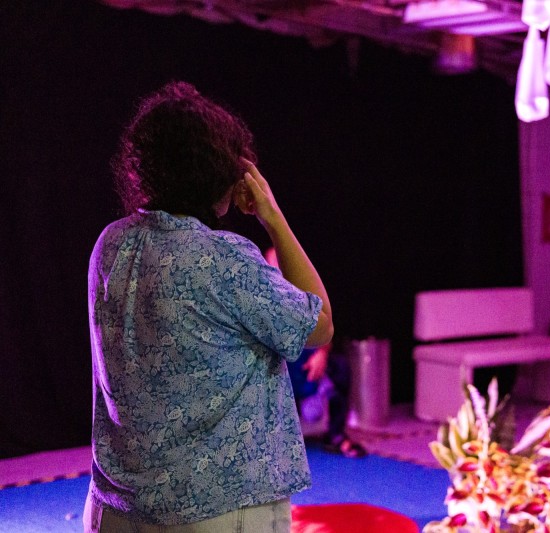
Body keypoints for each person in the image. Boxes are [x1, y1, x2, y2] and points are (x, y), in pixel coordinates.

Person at [84, 81, 333, 533]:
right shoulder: (225, 259)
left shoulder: (111, 244)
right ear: (221, 174)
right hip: (217, 508)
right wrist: (272, 216)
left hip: (116, 509)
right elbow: (319, 324)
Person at [263, 248, 366, 458]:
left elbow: (324, 330)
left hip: (306, 364)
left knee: (340, 366)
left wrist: (322, 354)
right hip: (277, 366)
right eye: (274, 265)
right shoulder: (261, 298)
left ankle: (335, 435)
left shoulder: (305, 294)